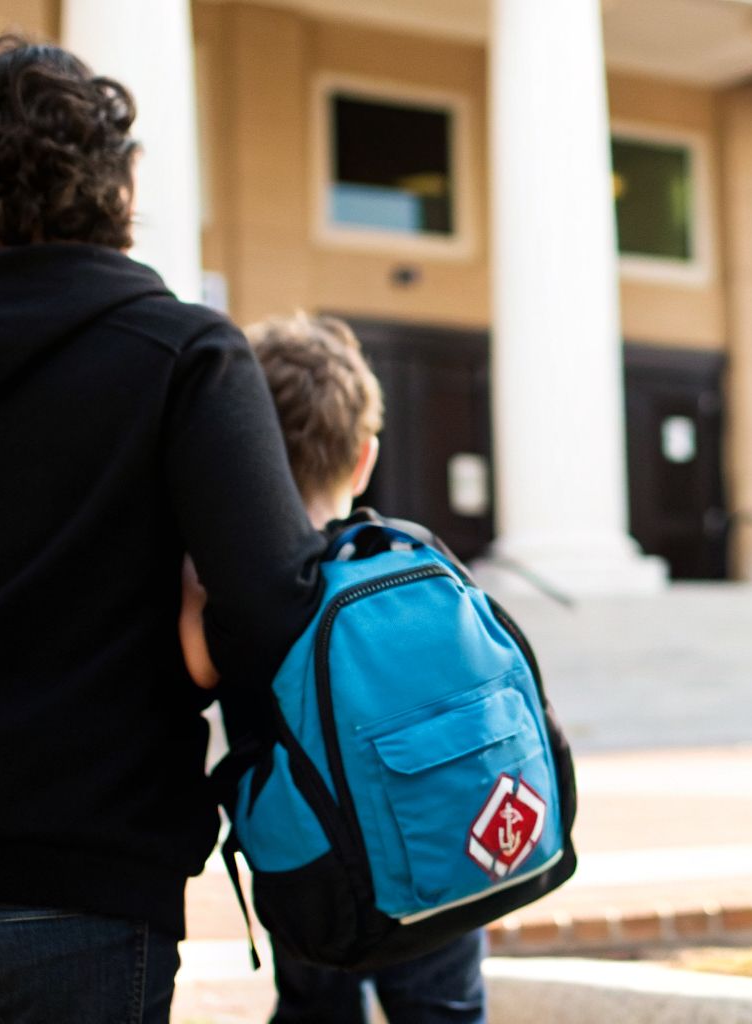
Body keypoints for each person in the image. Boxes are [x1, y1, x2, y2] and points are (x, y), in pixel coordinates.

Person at [0, 36, 323, 1022]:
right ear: (119, 186)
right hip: (78, 880)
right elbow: (275, 604)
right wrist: (198, 652)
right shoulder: (183, 355)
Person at [178, 312, 487, 1024]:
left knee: (315, 1007)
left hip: (312, 868)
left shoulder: (245, 591)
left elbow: (196, 668)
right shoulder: (406, 561)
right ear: (365, 458)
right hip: (436, 851)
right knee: (443, 1009)